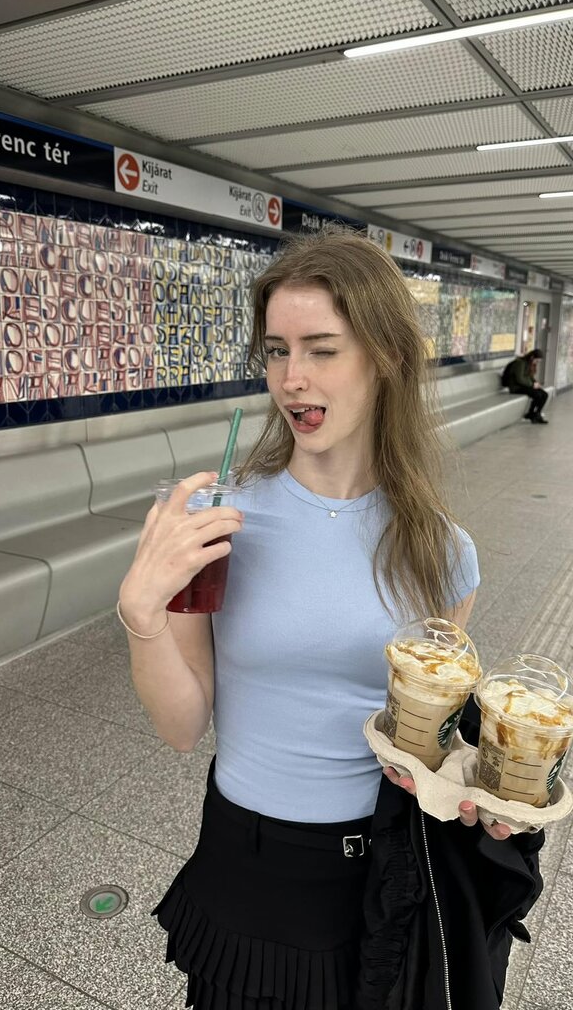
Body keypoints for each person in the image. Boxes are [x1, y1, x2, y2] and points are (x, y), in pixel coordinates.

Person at [118, 232, 543, 1010]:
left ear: (384, 356)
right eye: (277, 351)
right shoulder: (219, 521)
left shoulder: (442, 551)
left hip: (381, 872)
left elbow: (429, 737)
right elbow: (182, 728)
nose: (292, 378)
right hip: (246, 863)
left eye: (321, 350)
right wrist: (142, 615)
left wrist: (483, 794)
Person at [503, 348, 549, 423]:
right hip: (516, 387)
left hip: (524, 386)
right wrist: (532, 384)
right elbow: (520, 379)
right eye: (536, 361)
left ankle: (536, 414)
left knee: (544, 394)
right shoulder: (520, 363)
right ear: (532, 357)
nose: (537, 363)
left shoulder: (528, 363)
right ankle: (531, 414)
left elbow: (529, 376)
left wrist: (535, 383)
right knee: (537, 395)